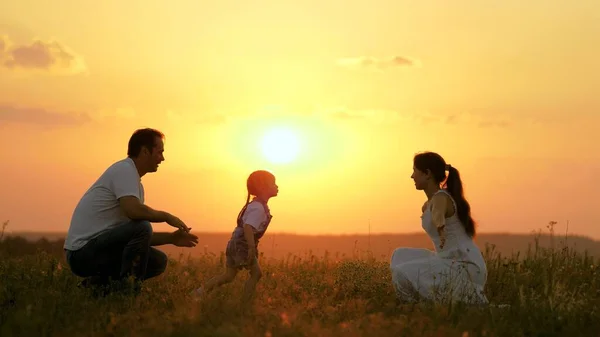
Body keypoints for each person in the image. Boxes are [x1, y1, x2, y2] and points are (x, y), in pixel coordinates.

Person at [63, 128, 199, 292]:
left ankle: (94, 288)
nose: (162, 158)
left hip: (99, 249)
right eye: (159, 152)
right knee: (142, 226)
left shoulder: (135, 184)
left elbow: (135, 239)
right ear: (144, 151)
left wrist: (171, 238)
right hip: (81, 254)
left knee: (158, 261)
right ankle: (128, 291)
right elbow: (134, 213)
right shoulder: (124, 170)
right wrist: (166, 217)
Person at [390, 151, 488, 305]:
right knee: (399, 255)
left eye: (415, 171)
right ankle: (422, 303)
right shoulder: (428, 204)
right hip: (446, 259)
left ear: (427, 173)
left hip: (464, 265)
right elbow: (434, 211)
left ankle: (414, 308)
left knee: (400, 272)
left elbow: (438, 215)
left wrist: (441, 227)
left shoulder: (441, 198)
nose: (412, 176)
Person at [192, 170, 278, 304]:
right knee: (256, 274)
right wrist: (250, 248)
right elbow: (248, 227)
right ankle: (245, 303)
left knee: (228, 276)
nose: (277, 186)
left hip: (234, 243)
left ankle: (199, 292)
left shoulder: (255, 205)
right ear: (262, 187)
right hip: (243, 245)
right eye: (273, 183)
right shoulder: (259, 208)